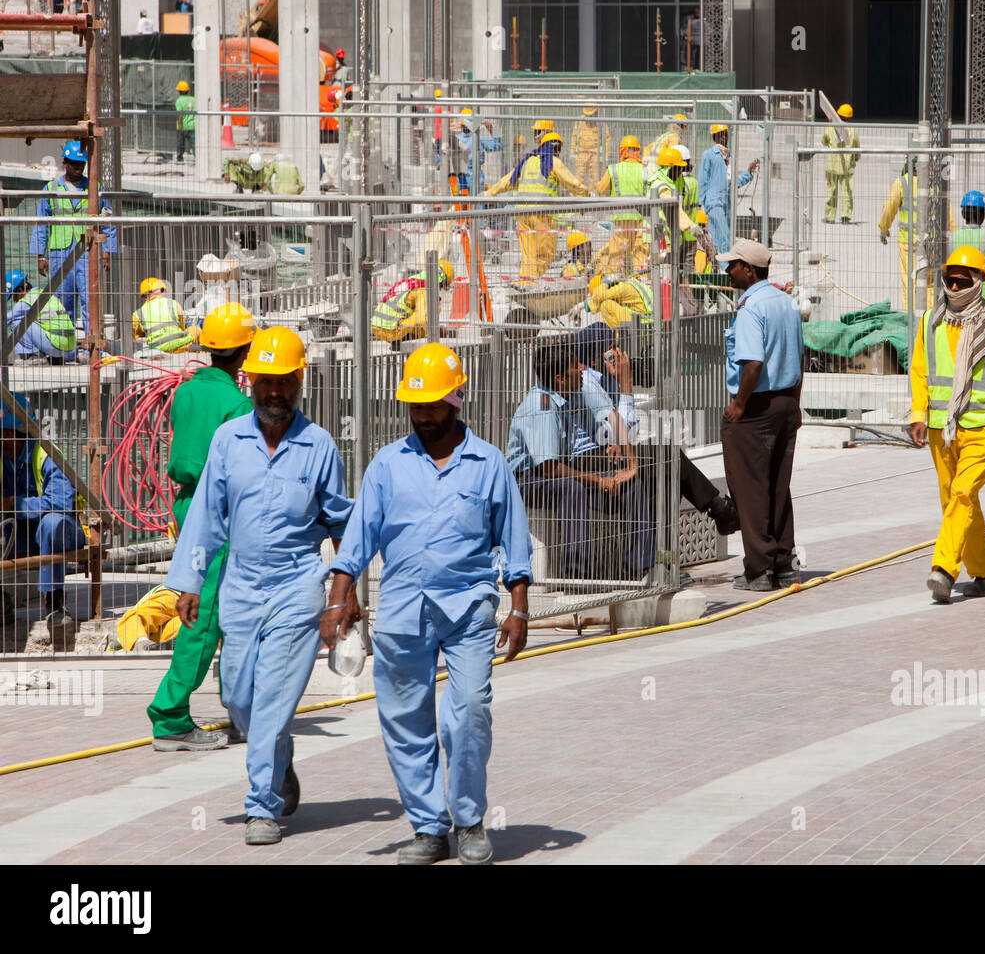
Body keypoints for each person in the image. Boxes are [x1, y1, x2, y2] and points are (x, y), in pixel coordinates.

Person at [324, 343, 531, 865]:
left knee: (466, 717)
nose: (424, 417)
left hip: (467, 610)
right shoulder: (388, 465)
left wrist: (519, 608)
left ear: (456, 400)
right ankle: (428, 827)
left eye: (433, 406)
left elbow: (515, 540)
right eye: (416, 407)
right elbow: (357, 541)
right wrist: (337, 601)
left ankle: (468, 820)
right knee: (406, 720)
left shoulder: (489, 464)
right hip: (401, 612)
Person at [165, 326, 355, 846]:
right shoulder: (230, 441)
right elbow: (206, 515)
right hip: (241, 587)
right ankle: (280, 756)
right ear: (249, 381)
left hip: (297, 585)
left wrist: (346, 591)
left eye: (283, 383)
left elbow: (339, 521)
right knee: (240, 697)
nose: (274, 393)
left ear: (300, 381)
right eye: (264, 382)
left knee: (271, 698)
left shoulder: (318, 446)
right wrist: (190, 583)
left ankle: (261, 806)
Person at [147, 304, 256, 752]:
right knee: (206, 615)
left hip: (187, 504)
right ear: (245, 352)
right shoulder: (237, 404)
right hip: (220, 513)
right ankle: (170, 716)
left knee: (225, 613)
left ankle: (241, 707)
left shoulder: (186, 393)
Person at [907, 246, 985, 604]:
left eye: (962, 281)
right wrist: (917, 415)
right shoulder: (931, 321)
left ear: (979, 282)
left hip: (982, 430)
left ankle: (943, 569)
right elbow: (920, 371)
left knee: (962, 494)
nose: (954, 288)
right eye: (949, 280)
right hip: (943, 430)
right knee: (956, 502)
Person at [507, 339, 653, 583]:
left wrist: (631, 465)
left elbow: (613, 417)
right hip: (527, 479)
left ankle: (639, 568)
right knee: (571, 489)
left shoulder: (578, 387)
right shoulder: (541, 406)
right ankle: (577, 576)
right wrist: (598, 481)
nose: (583, 369)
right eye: (576, 366)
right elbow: (550, 469)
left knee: (630, 483)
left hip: (561, 467)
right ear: (560, 379)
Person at [574, 322, 739, 538]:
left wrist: (621, 386)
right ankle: (719, 508)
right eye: (611, 349)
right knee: (667, 456)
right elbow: (621, 432)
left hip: (611, 450)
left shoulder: (605, 380)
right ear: (595, 359)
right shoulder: (587, 383)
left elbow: (627, 435)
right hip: (589, 458)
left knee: (669, 472)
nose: (618, 353)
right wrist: (625, 386)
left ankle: (666, 559)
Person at [717, 239, 802, 591]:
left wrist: (738, 404)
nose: (728, 271)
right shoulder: (786, 302)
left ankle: (759, 569)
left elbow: (752, 363)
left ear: (749, 270)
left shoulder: (751, 308)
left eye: (733, 265)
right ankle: (783, 562)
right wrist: (795, 404)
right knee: (778, 485)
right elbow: (799, 359)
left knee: (750, 488)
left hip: (757, 407)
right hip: (785, 402)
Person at [0, 392, 84, 645]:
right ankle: (2, 601)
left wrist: (14, 504)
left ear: (14, 433)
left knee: (52, 522)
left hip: (61, 533)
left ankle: (55, 607)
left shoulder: (46, 454)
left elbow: (59, 502)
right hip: (19, 535)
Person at [31, 140, 117, 346]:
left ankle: (93, 348)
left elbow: (108, 223)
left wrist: (107, 252)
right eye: (74, 163)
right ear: (64, 163)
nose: (78, 168)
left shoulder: (94, 187)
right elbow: (41, 224)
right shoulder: (51, 188)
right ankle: (66, 348)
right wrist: (40, 255)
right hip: (60, 253)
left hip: (88, 251)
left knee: (91, 301)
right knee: (63, 303)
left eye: (81, 164)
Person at [486, 132, 589, 279]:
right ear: (555, 148)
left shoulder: (527, 162)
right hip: (542, 214)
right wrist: (586, 195)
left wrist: (490, 193)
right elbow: (571, 182)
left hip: (523, 214)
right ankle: (532, 279)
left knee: (528, 254)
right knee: (545, 253)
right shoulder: (552, 162)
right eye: (558, 148)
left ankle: (526, 281)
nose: (558, 152)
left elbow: (508, 181)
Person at [878, 157, 954, 310]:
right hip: (931, 242)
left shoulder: (902, 182)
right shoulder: (935, 185)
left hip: (908, 243)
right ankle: (929, 317)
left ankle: (912, 321)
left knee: (909, 282)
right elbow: (948, 212)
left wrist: (884, 228)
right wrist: (953, 234)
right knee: (928, 281)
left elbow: (888, 208)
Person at [594, 135, 651, 277]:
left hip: (621, 220)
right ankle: (641, 284)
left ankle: (613, 282)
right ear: (638, 151)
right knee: (639, 254)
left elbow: (601, 190)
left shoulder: (613, 169)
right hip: (641, 219)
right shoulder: (645, 170)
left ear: (622, 151)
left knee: (616, 254)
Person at [698, 124, 759, 254]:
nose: (724, 137)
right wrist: (701, 204)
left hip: (727, 204)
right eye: (720, 135)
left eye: (725, 134)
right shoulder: (709, 155)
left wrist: (748, 172)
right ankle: (727, 268)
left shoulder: (729, 157)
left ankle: (719, 267)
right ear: (714, 137)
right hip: (714, 202)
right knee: (724, 237)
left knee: (721, 239)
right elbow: (703, 181)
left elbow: (732, 183)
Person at [5, 270, 77, 364]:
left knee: (17, 322)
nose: (14, 300)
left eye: (13, 296)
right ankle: (55, 359)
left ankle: (34, 356)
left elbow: (4, 320)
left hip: (54, 344)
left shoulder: (26, 301)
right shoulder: (44, 294)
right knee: (40, 322)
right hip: (68, 346)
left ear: (19, 291)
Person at [371, 262, 454, 343]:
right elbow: (421, 320)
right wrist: (436, 332)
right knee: (423, 317)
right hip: (390, 328)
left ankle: (406, 337)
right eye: (442, 285)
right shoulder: (423, 290)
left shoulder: (413, 282)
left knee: (421, 316)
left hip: (380, 324)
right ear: (441, 281)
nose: (440, 288)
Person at [645, 146, 700, 261]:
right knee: (660, 265)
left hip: (668, 232)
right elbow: (675, 209)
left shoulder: (675, 181)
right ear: (668, 168)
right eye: (677, 168)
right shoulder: (660, 185)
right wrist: (690, 225)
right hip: (658, 231)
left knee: (668, 266)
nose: (680, 171)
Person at [132, 278, 197, 354]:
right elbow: (181, 326)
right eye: (162, 290)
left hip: (157, 350)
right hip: (180, 346)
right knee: (196, 329)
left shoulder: (138, 313)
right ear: (161, 290)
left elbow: (132, 334)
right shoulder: (174, 304)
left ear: (144, 295)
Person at [822, 104, 859, 224]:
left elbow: (824, 141)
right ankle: (845, 216)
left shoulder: (831, 129)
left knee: (831, 190)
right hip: (847, 167)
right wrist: (855, 160)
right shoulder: (852, 131)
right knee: (846, 191)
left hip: (832, 166)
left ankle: (830, 217)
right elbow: (857, 147)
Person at [454, 109, 503, 192]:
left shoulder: (456, 139)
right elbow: (498, 145)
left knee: (461, 202)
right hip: (476, 175)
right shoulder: (479, 139)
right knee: (477, 201)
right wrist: (493, 129)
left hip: (460, 176)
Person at [570, 101, 610, 193]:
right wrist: (572, 152)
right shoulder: (580, 121)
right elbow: (574, 136)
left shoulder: (601, 122)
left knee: (595, 179)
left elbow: (606, 139)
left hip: (595, 154)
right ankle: (577, 196)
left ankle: (593, 198)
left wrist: (606, 155)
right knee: (578, 178)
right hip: (581, 153)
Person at [175, 80, 196, 162]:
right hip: (192, 126)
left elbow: (180, 114)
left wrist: (180, 125)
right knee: (194, 144)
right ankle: (197, 157)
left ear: (179, 91)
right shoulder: (193, 99)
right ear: (187, 90)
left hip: (182, 126)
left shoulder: (179, 101)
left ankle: (180, 158)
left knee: (180, 144)